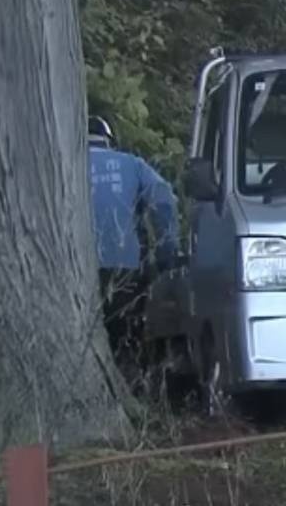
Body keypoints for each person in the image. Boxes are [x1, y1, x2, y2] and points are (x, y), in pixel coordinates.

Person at [87, 115, 180, 384]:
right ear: (109, 142)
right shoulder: (131, 164)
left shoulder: (63, 164)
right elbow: (164, 199)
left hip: (75, 265)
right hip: (123, 265)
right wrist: (166, 254)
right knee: (124, 337)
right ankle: (130, 384)